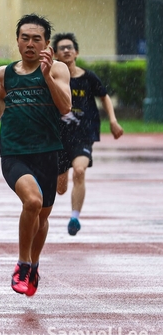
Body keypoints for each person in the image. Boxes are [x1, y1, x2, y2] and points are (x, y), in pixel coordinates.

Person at [0, 14, 71, 297]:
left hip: (47, 151)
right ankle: (22, 264)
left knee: (41, 218)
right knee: (32, 201)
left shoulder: (58, 70)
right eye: (25, 38)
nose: (30, 44)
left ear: (46, 44)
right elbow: (0, 97)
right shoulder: (5, 72)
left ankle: (34, 264)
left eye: (36, 39)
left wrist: (47, 76)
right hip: (15, 152)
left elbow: (65, 107)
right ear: (18, 41)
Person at [52, 32, 124, 236]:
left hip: (83, 135)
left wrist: (113, 120)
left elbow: (104, 97)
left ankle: (74, 217)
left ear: (76, 52)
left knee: (79, 171)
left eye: (70, 47)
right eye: (62, 48)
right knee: (60, 188)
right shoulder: (52, 78)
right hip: (59, 137)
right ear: (56, 54)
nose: (67, 50)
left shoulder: (88, 78)